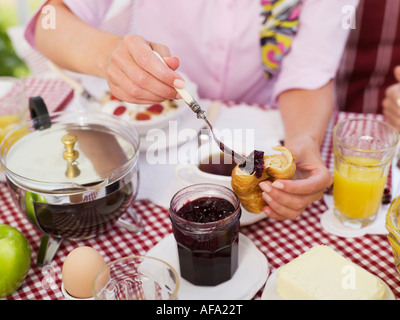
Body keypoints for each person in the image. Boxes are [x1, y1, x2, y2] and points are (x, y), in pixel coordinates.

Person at [24, 0, 357, 221]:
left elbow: (310, 72)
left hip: (268, 120)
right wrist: (109, 55)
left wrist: (303, 140)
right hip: (152, 132)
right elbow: (49, 23)